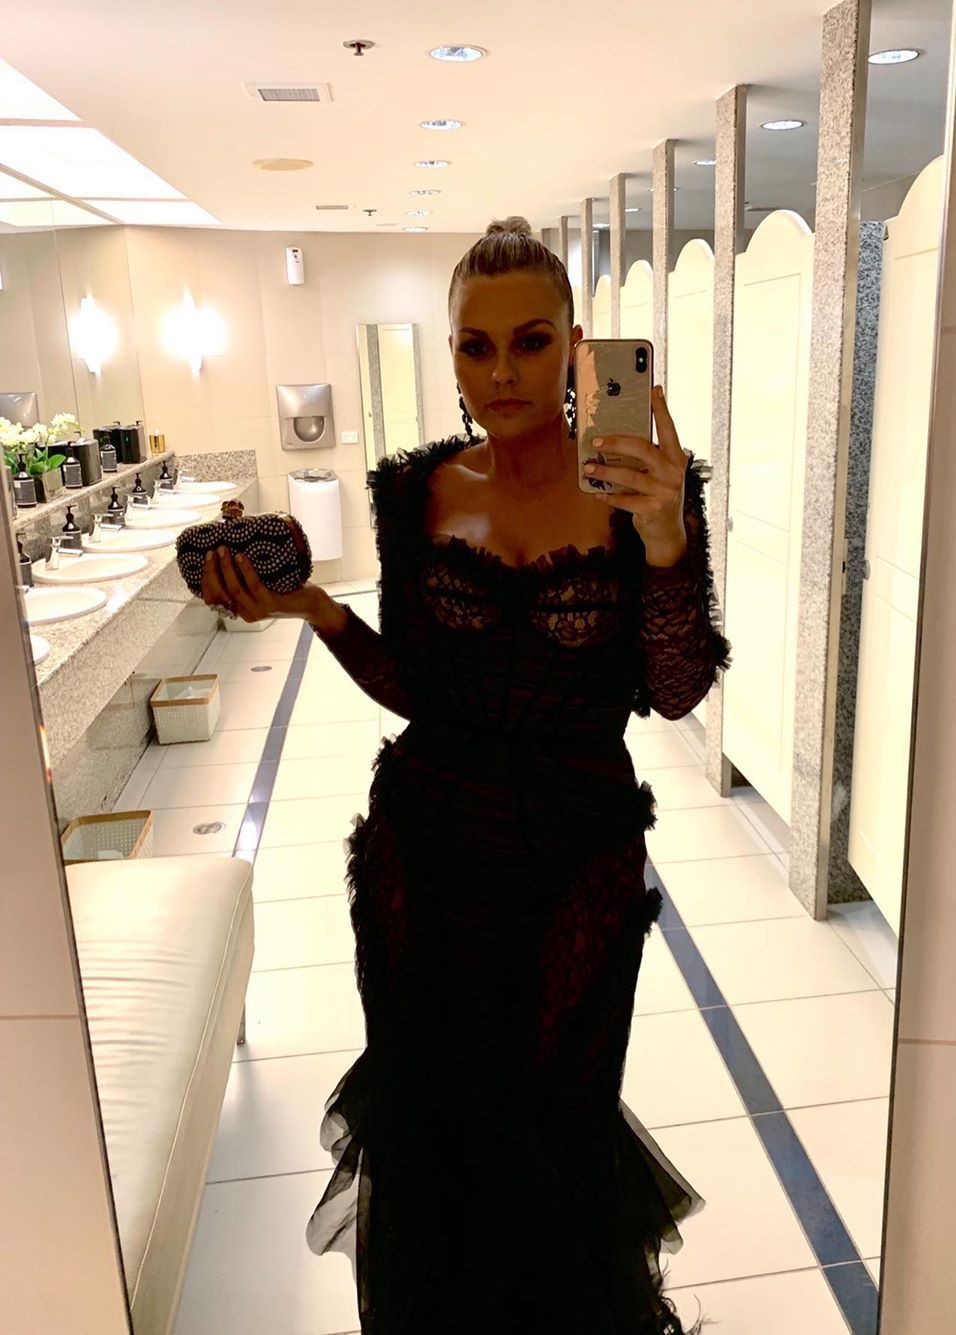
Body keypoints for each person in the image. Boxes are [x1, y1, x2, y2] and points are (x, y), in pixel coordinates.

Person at [200, 217, 730, 1335]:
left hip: (573, 884)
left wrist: (669, 541)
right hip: (422, 866)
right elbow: (419, 689)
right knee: (431, 1140)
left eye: (530, 343)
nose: (502, 373)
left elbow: (678, 689)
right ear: (450, 354)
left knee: (553, 1144)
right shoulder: (416, 492)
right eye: (475, 346)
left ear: (576, 348)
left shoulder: (643, 491)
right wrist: (315, 609)